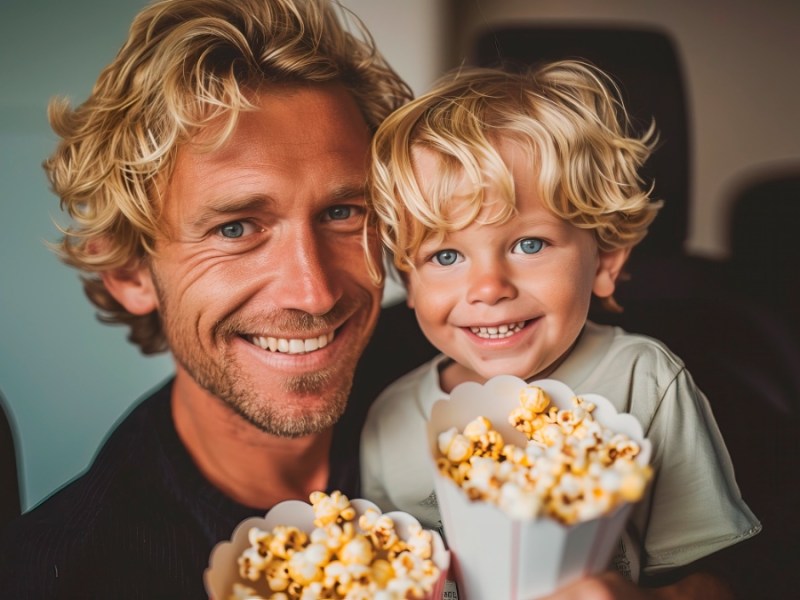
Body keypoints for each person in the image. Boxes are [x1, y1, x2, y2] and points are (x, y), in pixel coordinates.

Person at [0, 0, 420, 597]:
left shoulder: (476, 369)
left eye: (342, 212)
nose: (315, 291)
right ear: (128, 272)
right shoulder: (64, 573)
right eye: (236, 228)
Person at [360, 61, 761, 598]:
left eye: (529, 245)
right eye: (446, 254)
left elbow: (717, 580)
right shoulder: (389, 421)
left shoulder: (645, 382)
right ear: (408, 280)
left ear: (604, 262)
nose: (488, 286)